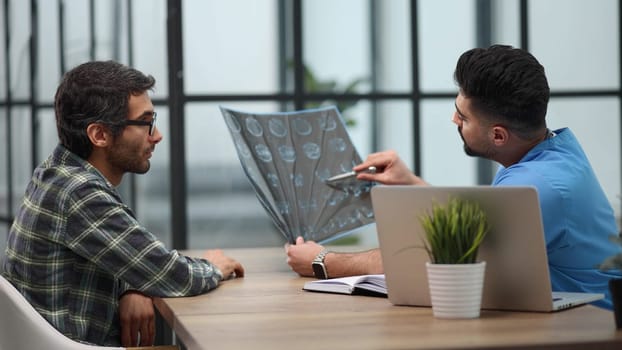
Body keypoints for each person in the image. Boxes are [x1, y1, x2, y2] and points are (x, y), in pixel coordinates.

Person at [285, 44, 622, 310]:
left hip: (585, 329)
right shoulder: (558, 150)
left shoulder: (534, 187)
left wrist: (323, 261)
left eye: (463, 116)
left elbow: (437, 259)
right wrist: (410, 183)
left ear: (499, 136)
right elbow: (476, 228)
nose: (454, 119)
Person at [1, 61, 245, 346]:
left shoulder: (56, 173)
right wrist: (214, 266)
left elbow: (132, 256)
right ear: (99, 135)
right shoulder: (80, 194)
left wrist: (133, 287)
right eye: (146, 122)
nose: (157, 135)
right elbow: (173, 275)